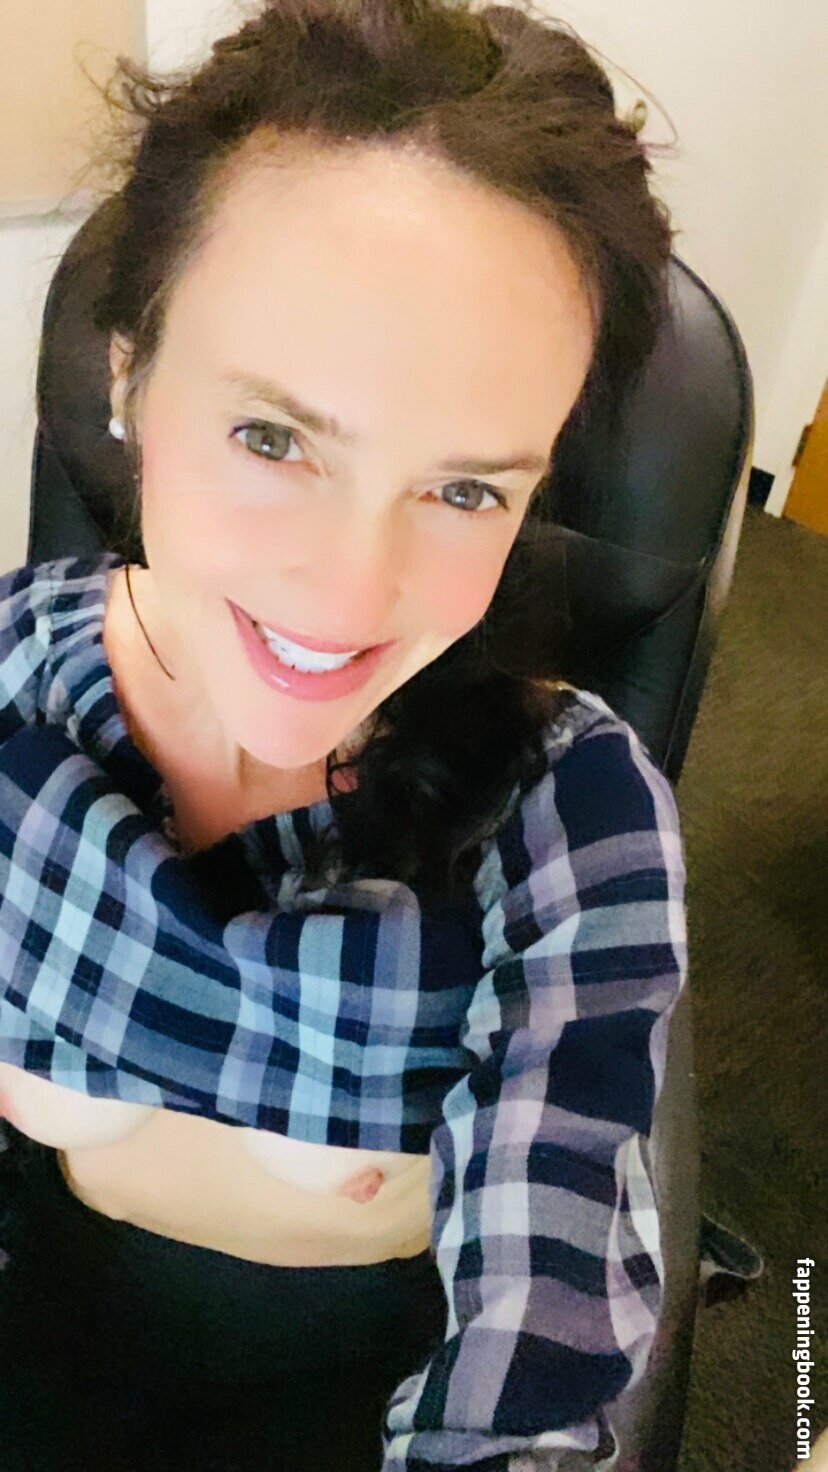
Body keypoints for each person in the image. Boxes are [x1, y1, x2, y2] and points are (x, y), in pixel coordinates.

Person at [0, 0, 687, 1467]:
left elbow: (544, 1319)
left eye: (465, 489)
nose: (350, 593)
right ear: (128, 378)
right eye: (274, 437)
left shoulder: (568, 812)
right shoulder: (13, 685)